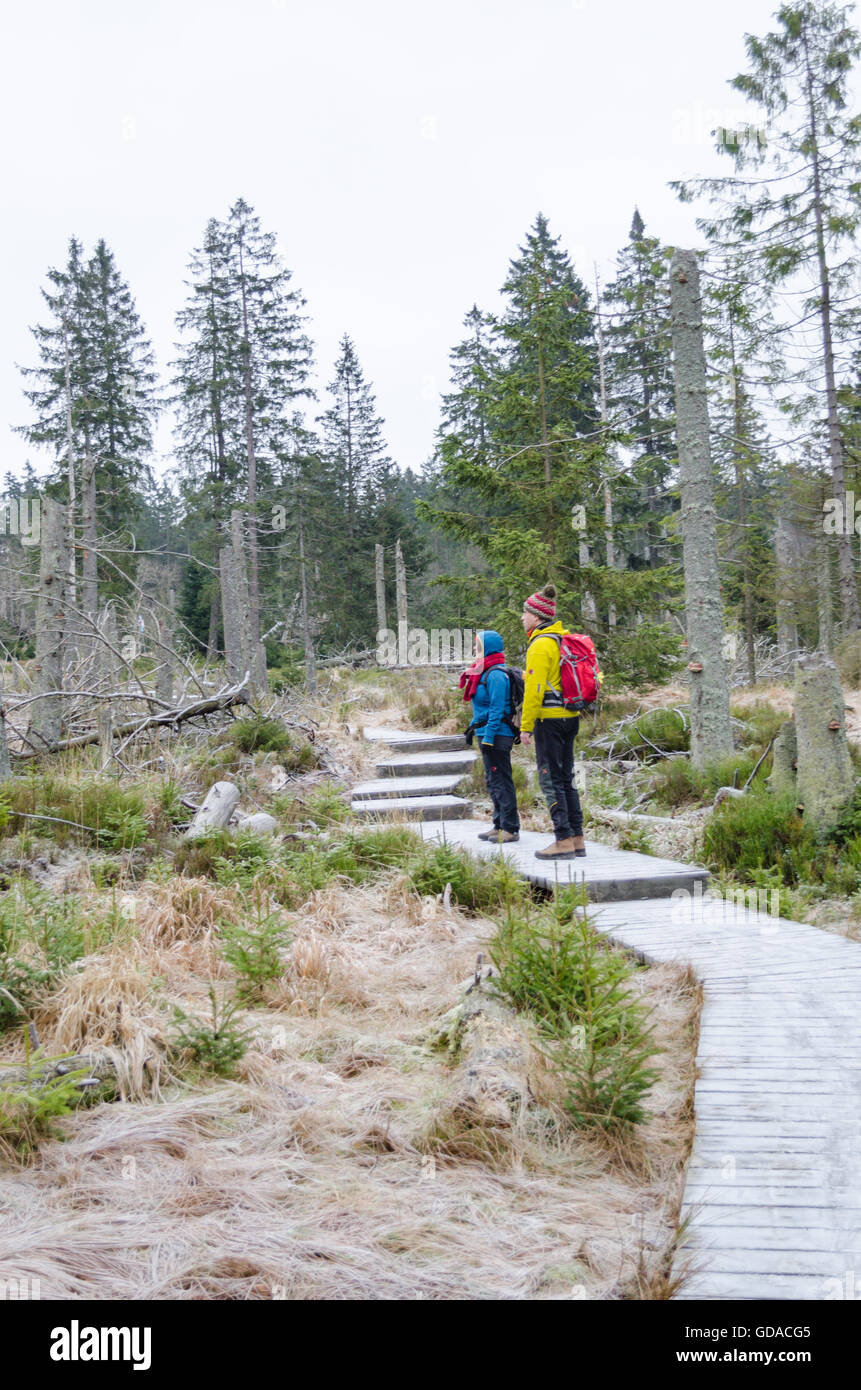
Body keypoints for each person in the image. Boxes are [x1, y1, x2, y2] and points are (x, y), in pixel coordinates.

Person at [518, 583, 586, 860]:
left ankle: (562, 839)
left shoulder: (540, 645)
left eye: (524, 613)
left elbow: (534, 691)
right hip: (570, 717)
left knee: (550, 780)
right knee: (566, 778)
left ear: (536, 616)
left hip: (549, 720)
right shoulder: (561, 640)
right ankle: (577, 838)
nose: (522, 618)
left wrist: (525, 726)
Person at [459, 630, 520, 844]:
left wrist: (489, 737)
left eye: (478, 647)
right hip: (486, 733)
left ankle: (510, 828)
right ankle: (499, 824)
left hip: (496, 735)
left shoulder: (495, 674)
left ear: (488, 648)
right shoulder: (484, 672)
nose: (475, 650)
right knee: (492, 781)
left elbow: (496, 709)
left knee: (501, 781)